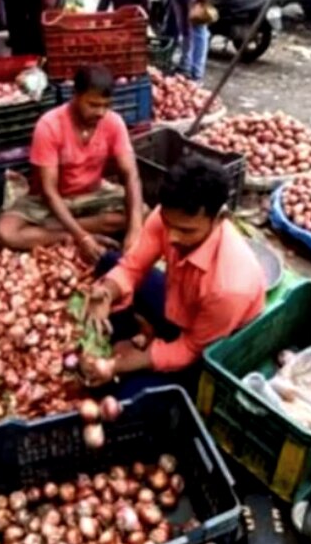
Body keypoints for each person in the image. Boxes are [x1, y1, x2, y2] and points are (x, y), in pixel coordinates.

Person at [80, 156, 266, 398]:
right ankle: (128, 341)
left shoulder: (230, 286)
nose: (172, 237)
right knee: (110, 264)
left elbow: (189, 349)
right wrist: (106, 293)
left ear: (220, 218)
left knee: (128, 397)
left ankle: (130, 357)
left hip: (207, 346)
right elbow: (133, 267)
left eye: (186, 230)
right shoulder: (169, 215)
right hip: (179, 305)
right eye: (168, 224)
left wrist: (117, 366)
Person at [0, 64, 144, 263]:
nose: (100, 112)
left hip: (92, 195)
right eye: (93, 105)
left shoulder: (113, 122)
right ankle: (68, 234)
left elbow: (131, 174)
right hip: (50, 201)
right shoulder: (49, 125)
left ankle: (52, 228)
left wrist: (135, 230)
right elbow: (49, 191)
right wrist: (82, 237)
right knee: (3, 231)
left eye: (106, 105)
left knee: (145, 215)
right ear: (76, 95)